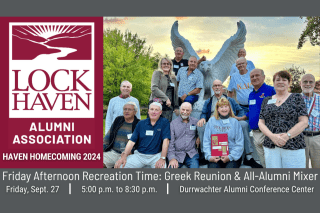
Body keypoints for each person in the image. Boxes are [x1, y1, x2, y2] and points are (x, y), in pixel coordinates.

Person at [198, 79, 261, 168]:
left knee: (243, 124)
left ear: (222, 87)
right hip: (214, 121)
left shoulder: (230, 100)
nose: (217, 87)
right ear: (212, 88)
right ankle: (205, 154)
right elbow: (204, 113)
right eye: (215, 86)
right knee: (201, 126)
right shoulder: (209, 101)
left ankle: (248, 155)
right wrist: (203, 118)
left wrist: (237, 119)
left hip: (230, 120)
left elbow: (240, 110)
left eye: (219, 85)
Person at [258, 71, 309, 168]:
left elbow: (304, 122)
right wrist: (272, 136)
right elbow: (261, 123)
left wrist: (286, 136)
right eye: (278, 80)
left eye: (284, 80)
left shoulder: (297, 97)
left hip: (293, 145)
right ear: (273, 83)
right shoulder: (266, 100)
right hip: (271, 146)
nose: (281, 82)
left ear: (289, 83)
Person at [237, 69, 276, 168]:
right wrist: (241, 118)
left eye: (257, 75)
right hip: (256, 133)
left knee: (272, 160)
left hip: (268, 131)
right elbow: (252, 111)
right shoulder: (251, 94)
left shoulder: (271, 90)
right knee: (263, 161)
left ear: (263, 77)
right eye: (252, 76)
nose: (254, 78)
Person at [114, 102, 170, 168]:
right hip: (139, 155)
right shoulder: (141, 123)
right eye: (151, 109)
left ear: (160, 112)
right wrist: (124, 156)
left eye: (156, 110)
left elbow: (166, 141)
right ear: (148, 111)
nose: (153, 112)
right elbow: (132, 141)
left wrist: (162, 158)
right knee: (121, 166)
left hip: (155, 156)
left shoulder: (164, 122)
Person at [203, 98, 244, 168]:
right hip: (215, 156)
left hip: (232, 156)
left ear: (229, 108)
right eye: (221, 107)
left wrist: (230, 157)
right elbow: (206, 141)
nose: (224, 109)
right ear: (217, 109)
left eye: (226, 106)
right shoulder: (211, 121)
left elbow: (239, 143)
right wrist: (210, 156)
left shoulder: (235, 122)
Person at [103, 102, 140, 168]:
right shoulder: (118, 120)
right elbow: (108, 137)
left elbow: (140, 144)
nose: (126, 111)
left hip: (129, 155)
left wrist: (126, 155)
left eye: (129, 109)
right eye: (125, 109)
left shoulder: (139, 124)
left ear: (135, 112)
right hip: (113, 152)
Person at [167, 102, 200, 168]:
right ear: (180, 110)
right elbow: (171, 143)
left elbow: (201, 133)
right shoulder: (173, 124)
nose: (184, 112)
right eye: (183, 109)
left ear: (191, 111)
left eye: (187, 110)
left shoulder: (196, 122)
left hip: (191, 154)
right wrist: (172, 158)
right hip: (177, 154)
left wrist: (198, 137)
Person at [300, 74, 320, 168]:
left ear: (314, 84)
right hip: (300, 138)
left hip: (317, 138)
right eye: (305, 82)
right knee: (302, 168)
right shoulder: (295, 99)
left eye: (310, 82)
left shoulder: (319, 99)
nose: (308, 84)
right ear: (300, 83)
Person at [150, 58, 179, 122]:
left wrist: (176, 107)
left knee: (166, 127)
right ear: (160, 65)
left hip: (169, 107)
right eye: (164, 64)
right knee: (155, 125)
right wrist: (166, 99)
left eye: (168, 64)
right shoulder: (157, 73)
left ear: (171, 66)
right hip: (157, 104)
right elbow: (154, 88)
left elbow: (175, 93)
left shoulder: (173, 78)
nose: (166, 65)